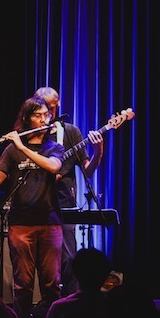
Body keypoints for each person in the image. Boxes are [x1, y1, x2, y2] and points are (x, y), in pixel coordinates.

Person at [0, 95, 65, 318]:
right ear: (27, 119)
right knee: (23, 285)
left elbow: (53, 167)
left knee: (52, 283)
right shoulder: (12, 151)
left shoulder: (54, 148)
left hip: (49, 222)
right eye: (37, 116)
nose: (43, 120)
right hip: (20, 223)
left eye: (46, 115)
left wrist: (21, 146)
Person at [33, 87, 105, 296]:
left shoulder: (71, 132)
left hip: (64, 204)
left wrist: (98, 151)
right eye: (46, 109)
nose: (50, 114)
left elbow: (87, 170)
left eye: (54, 108)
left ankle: (71, 302)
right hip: (36, 204)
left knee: (68, 258)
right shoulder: (31, 135)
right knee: (41, 261)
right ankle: (45, 305)